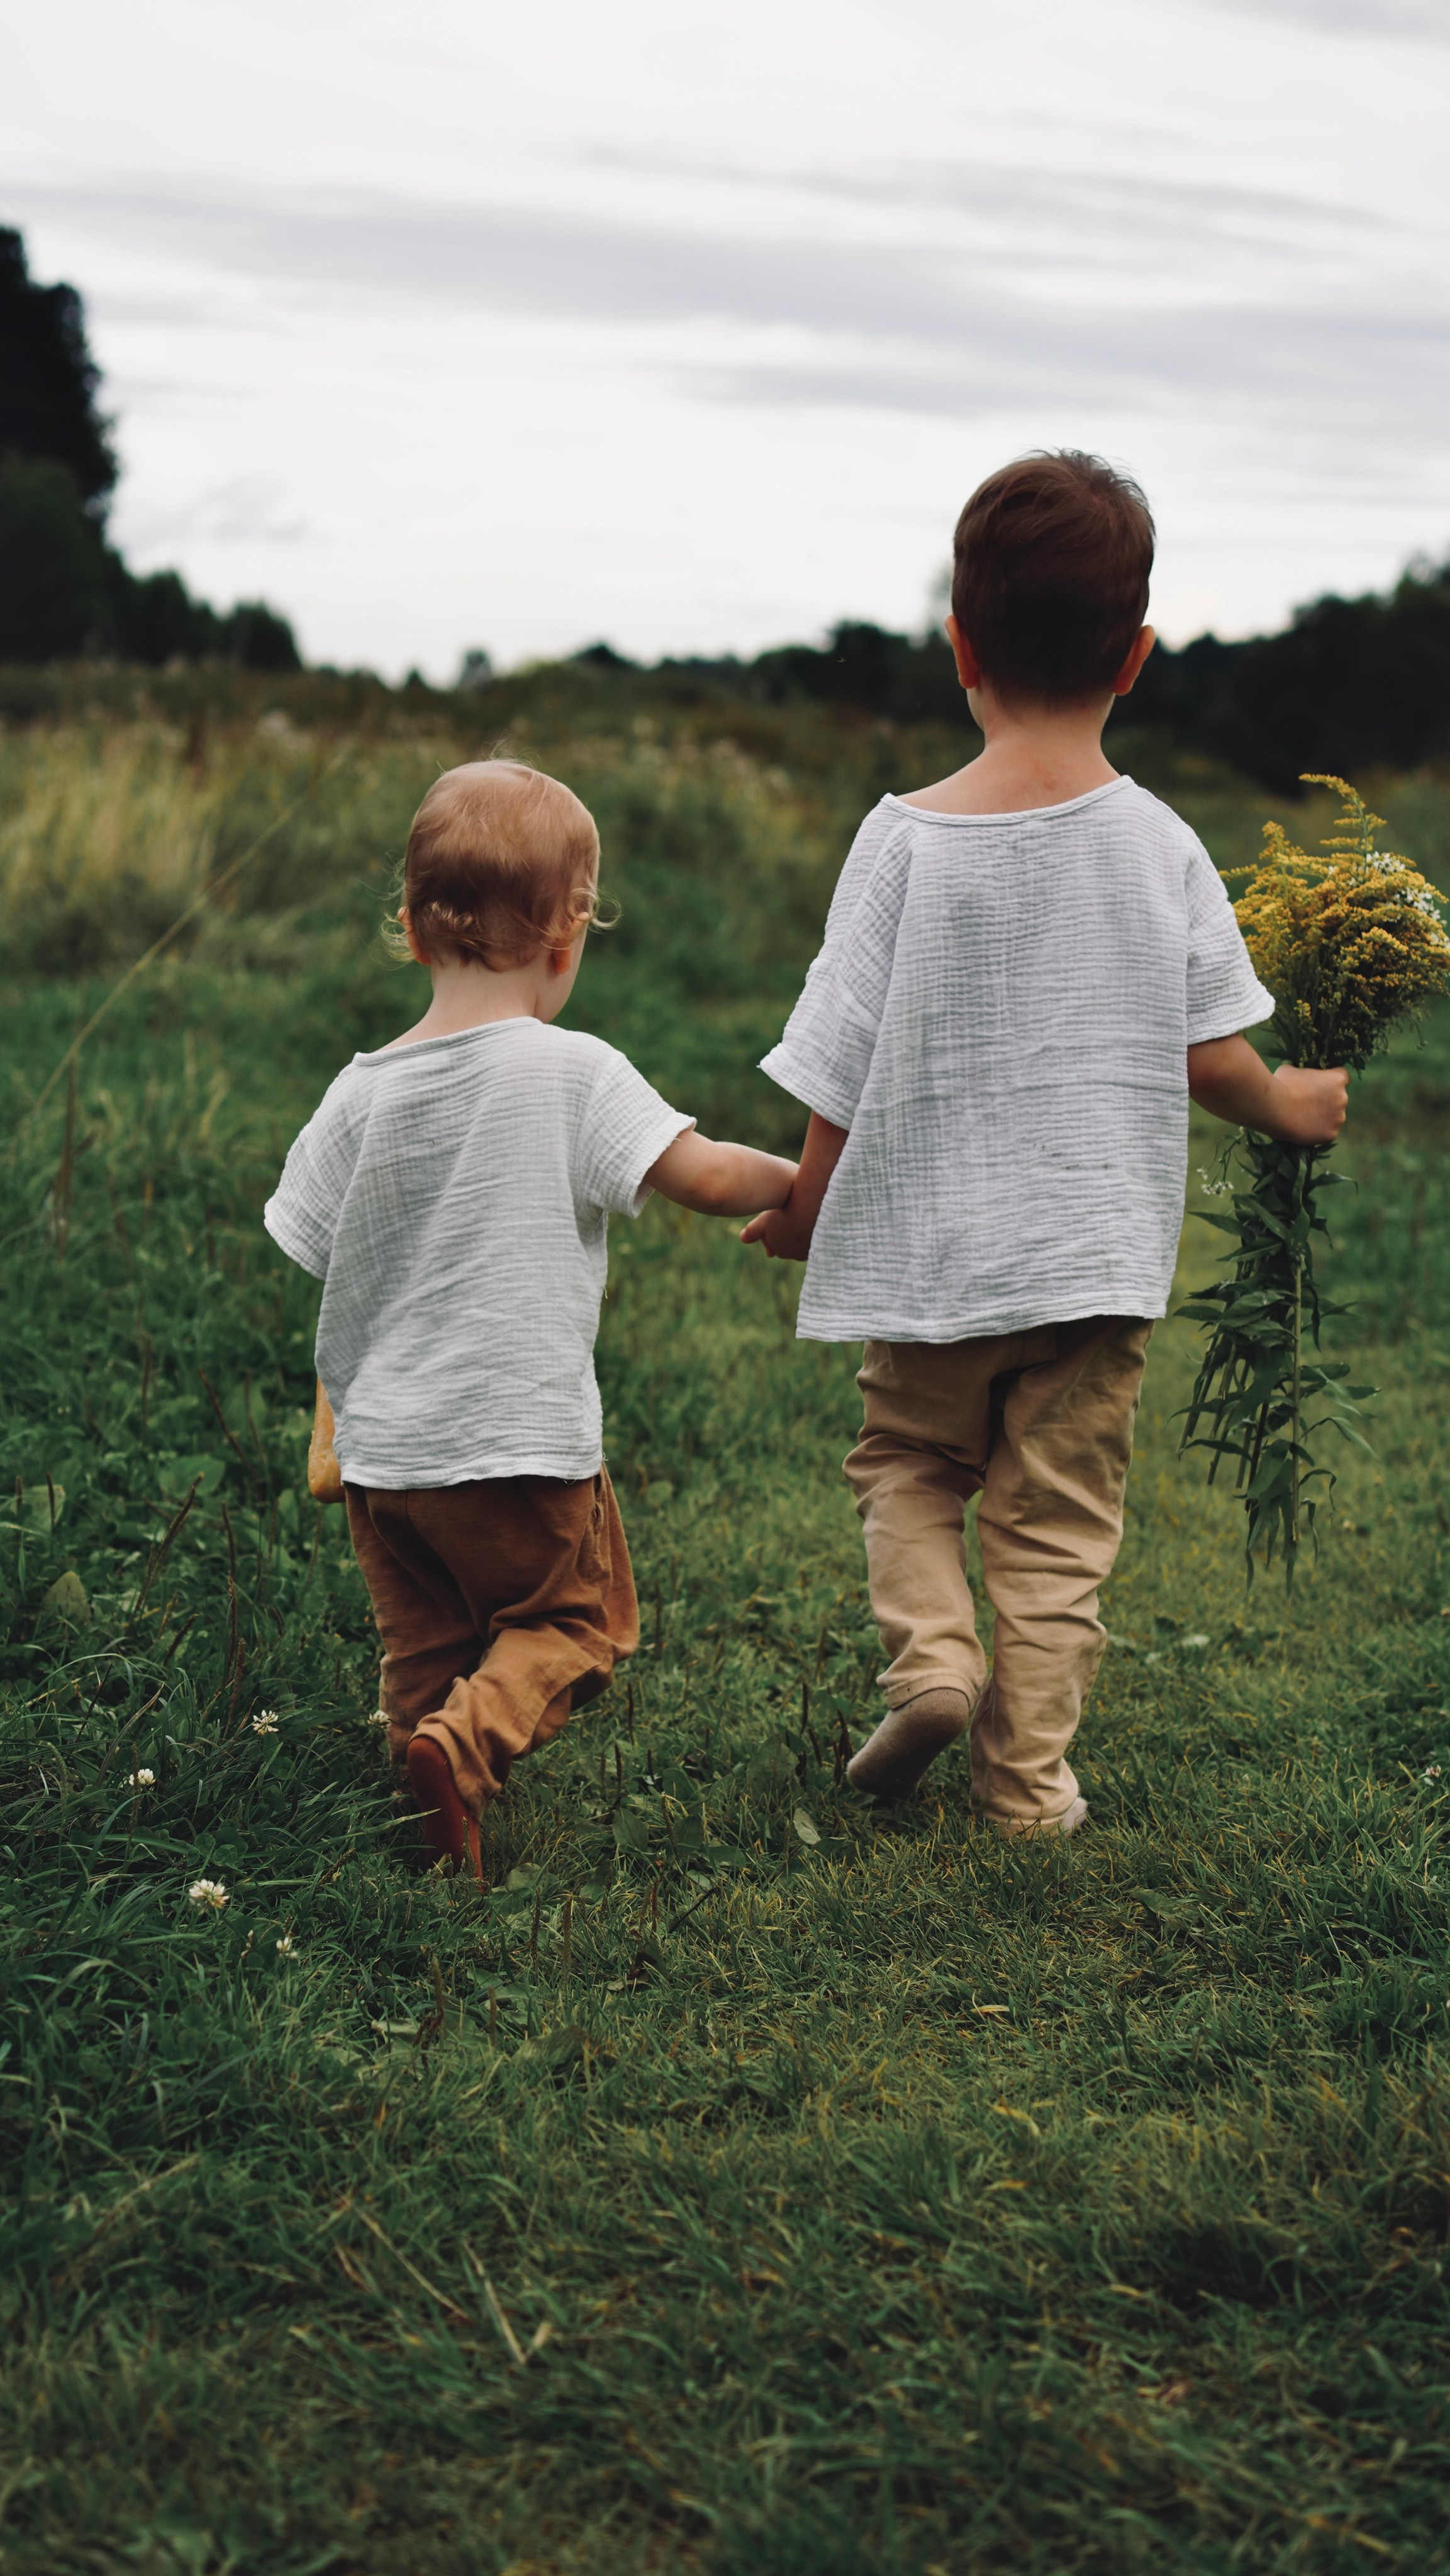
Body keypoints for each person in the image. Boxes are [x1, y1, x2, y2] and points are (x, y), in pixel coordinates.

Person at [743, 452, 1347, 1834]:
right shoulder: (1162, 846)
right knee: (1057, 1525)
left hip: (927, 1259)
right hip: (1091, 1262)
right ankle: (1025, 1783)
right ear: (1135, 657)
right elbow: (1207, 1054)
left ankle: (934, 1660)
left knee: (908, 1464)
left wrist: (804, 1207)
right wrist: (1290, 1104)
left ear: (956, 640)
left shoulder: (899, 843)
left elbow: (836, 1068)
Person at [266, 760, 796, 1880]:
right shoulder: (573, 1073)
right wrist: (802, 1180)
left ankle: (431, 1812)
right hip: (515, 1442)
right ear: (567, 938)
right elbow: (698, 1173)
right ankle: (462, 1750)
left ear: (410, 928)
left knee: (426, 1645)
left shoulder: (357, 1090)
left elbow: (316, 1252)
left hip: (385, 1462)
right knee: (575, 1627)